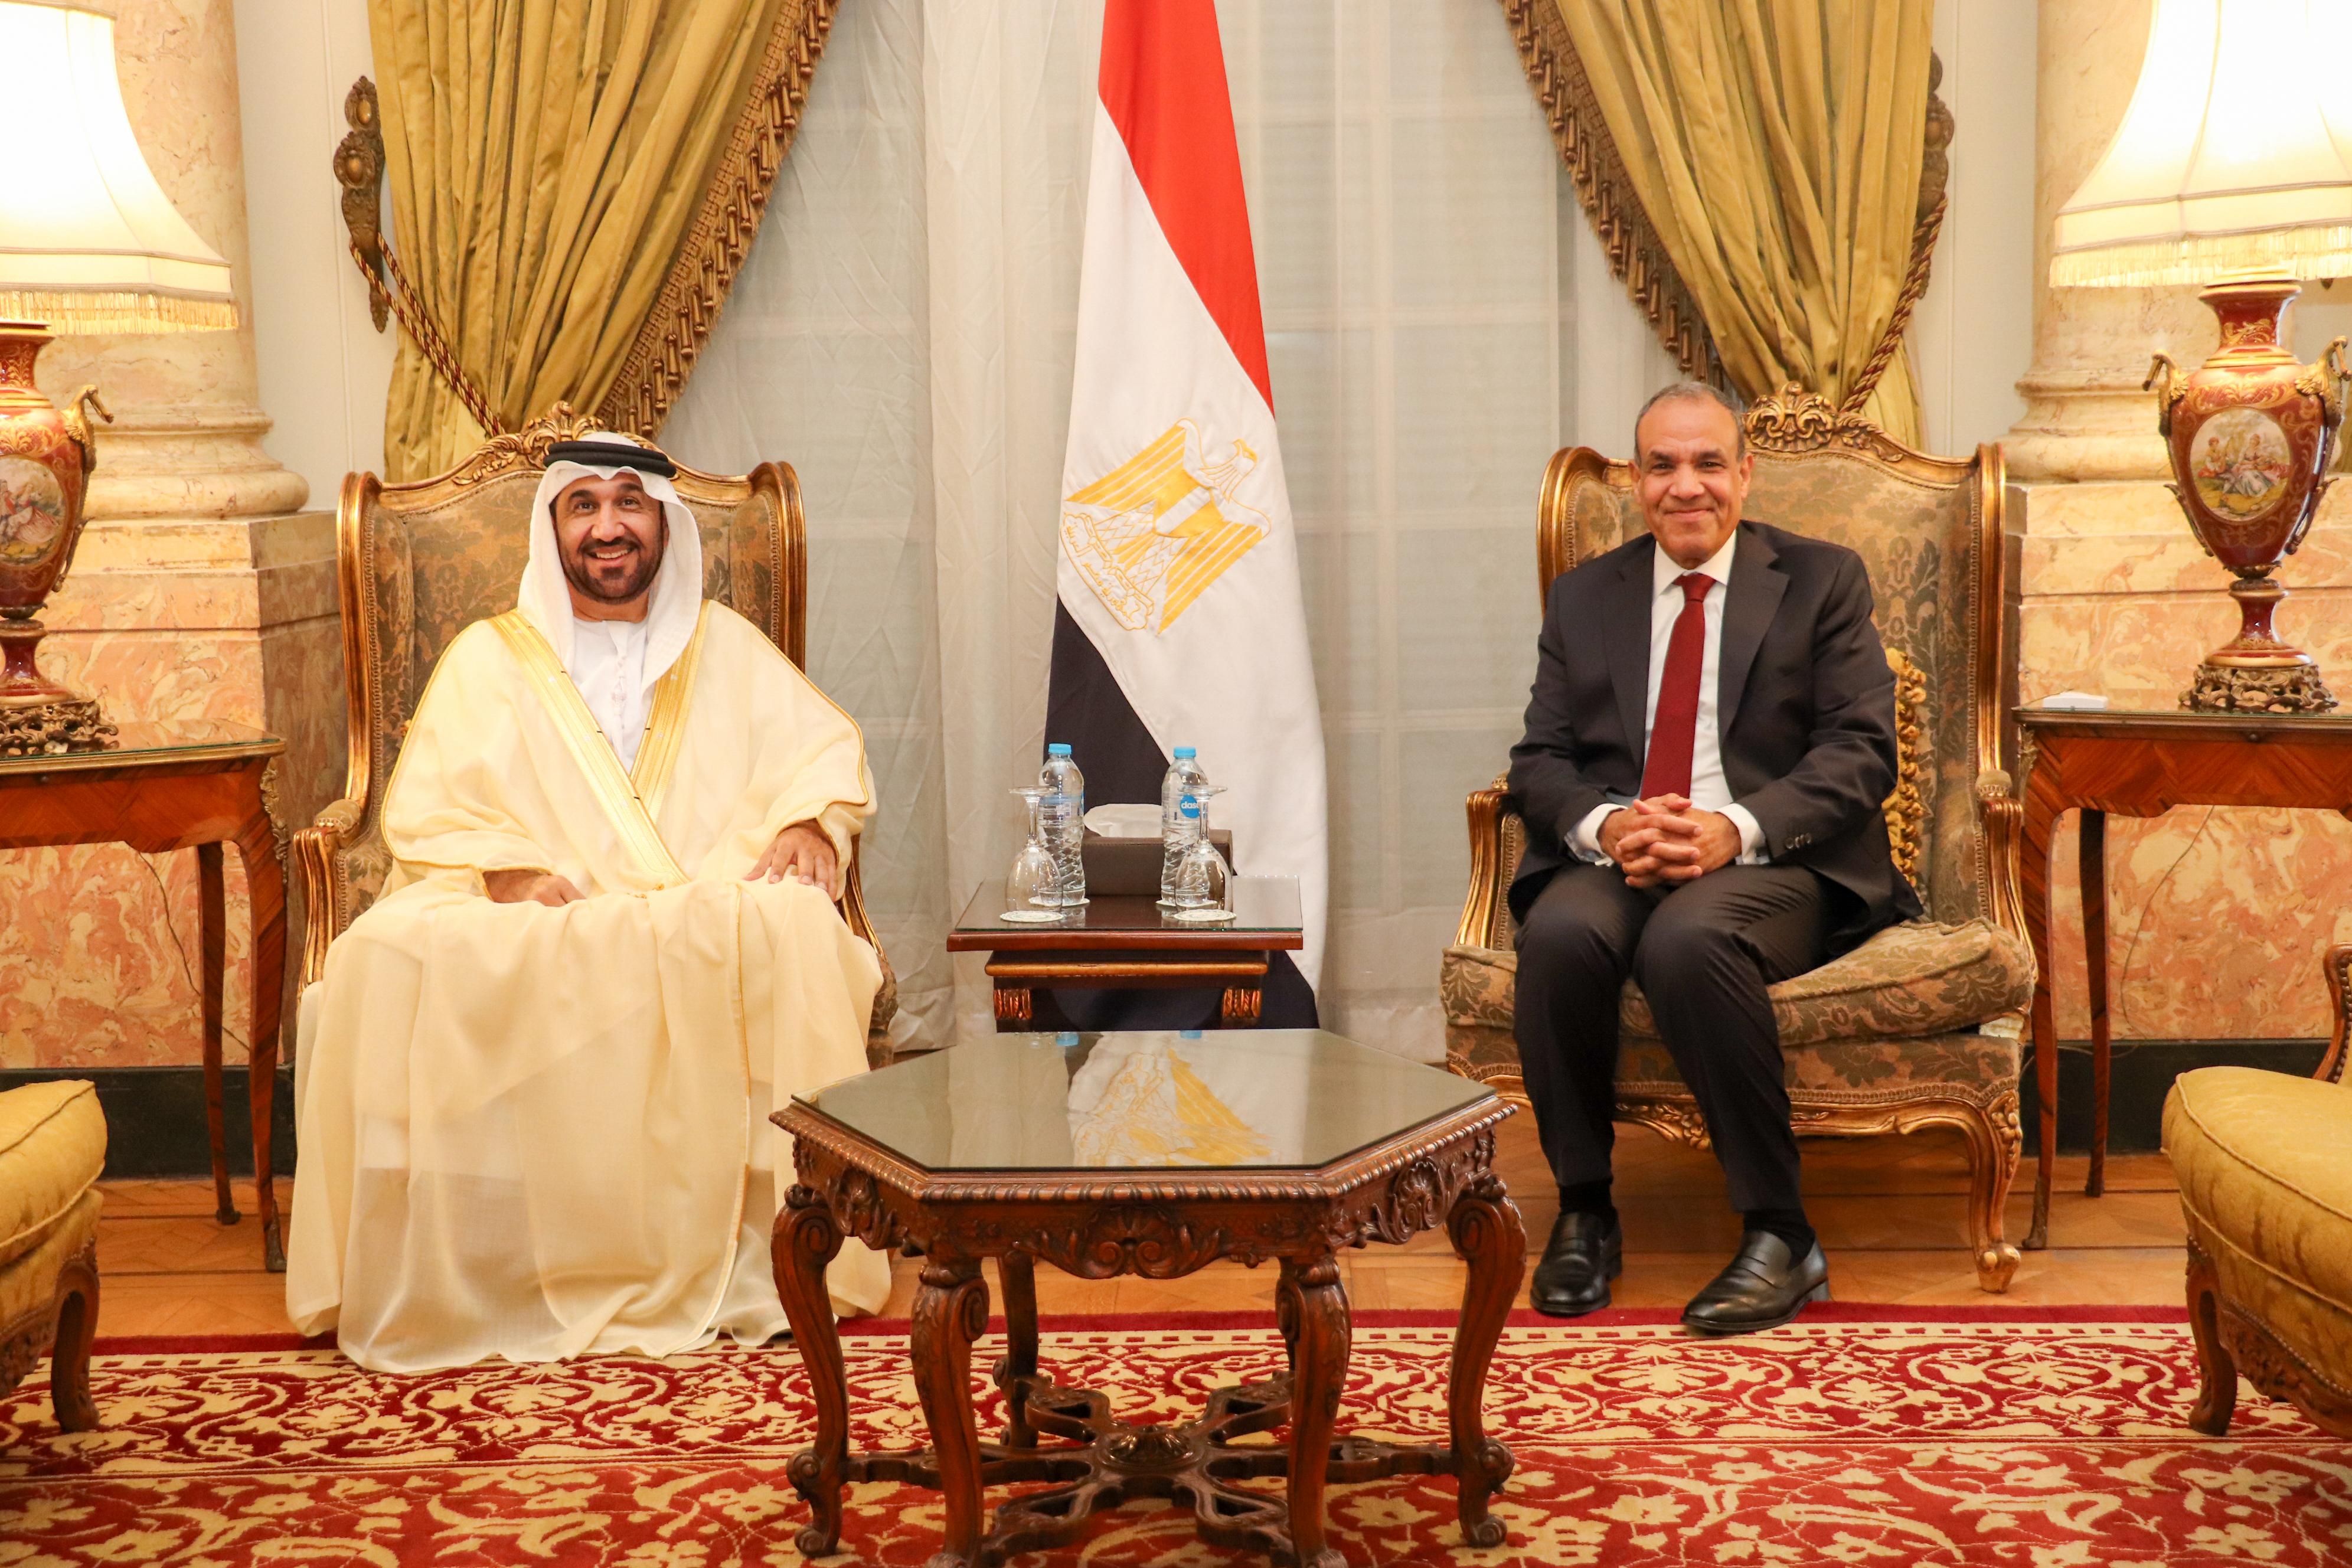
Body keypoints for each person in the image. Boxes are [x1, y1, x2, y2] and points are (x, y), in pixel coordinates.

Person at [288, 433, 890, 1371]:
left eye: (629, 505)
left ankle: (782, 1247)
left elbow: (816, 752)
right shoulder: (487, 658)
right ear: (555, 527)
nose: (609, 528)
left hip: (698, 904)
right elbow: (433, 806)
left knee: (799, 924)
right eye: (585, 507)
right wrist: (507, 871)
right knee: (377, 958)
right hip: (541, 910)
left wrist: (810, 822)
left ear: (663, 524)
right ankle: (480, 1270)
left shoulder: (725, 645)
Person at [1507, 382, 1918, 1334]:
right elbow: (1541, 758)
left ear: (1746, 472)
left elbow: (1861, 753)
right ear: (1636, 481)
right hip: (1627, 853)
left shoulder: (1821, 579)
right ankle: (1584, 1211)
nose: (1685, 486)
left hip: (1778, 864)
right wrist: (1609, 827)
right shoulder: (1587, 596)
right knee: (1560, 934)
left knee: (1688, 941)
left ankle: (1781, 1232)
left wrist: (1735, 827)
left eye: (1707, 463)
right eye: (1662, 466)